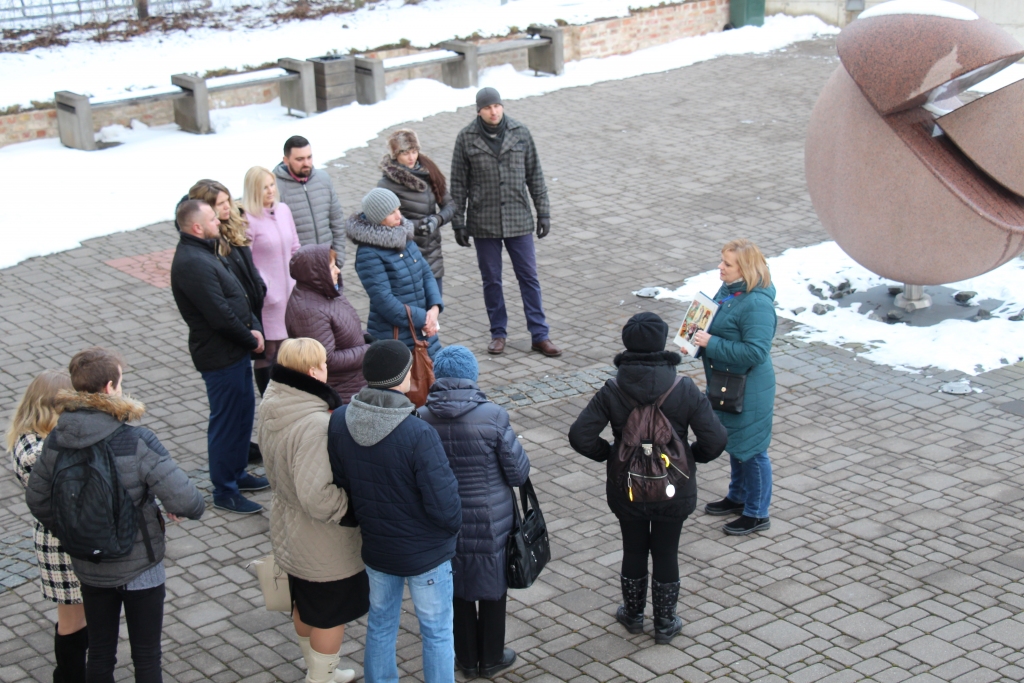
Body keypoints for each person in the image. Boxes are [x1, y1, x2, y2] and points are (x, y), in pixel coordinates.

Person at [26, 347, 205, 683]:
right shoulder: (136, 440)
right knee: (147, 657)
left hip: (89, 568)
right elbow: (188, 501)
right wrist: (170, 508)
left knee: (100, 653)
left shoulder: (57, 440)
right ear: (109, 387)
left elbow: (37, 499)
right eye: (120, 381)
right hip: (141, 566)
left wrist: (76, 530)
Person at [568, 313, 727, 643]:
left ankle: (633, 615)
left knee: (634, 549)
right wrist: (690, 459)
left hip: (627, 487)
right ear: (661, 342)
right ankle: (665, 623)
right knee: (667, 552)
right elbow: (715, 439)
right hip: (674, 487)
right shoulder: (684, 388)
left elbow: (580, 435)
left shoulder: (612, 390)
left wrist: (610, 455)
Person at [327, 340, 462, 683]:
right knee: (436, 631)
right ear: (401, 377)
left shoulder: (340, 420)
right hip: (426, 553)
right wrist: (450, 531)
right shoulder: (418, 432)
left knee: (381, 623)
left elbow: (343, 485)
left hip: (377, 547)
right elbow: (445, 505)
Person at [258, 338, 368, 683]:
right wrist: (351, 510)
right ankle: (321, 677)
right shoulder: (315, 424)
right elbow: (318, 496)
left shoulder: (272, 402)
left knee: (304, 603)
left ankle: (317, 671)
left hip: (287, 527)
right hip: (322, 542)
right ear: (311, 371)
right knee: (329, 615)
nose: (326, 368)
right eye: (322, 364)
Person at [417, 346, 529, 679]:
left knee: (455, 587)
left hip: (442, 520)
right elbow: (518, 473)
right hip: (491, 519)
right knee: (494, 583)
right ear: (472, 376)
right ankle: (491, 657)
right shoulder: (493, 416)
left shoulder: (420, 417)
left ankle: (466, 659)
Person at [170, 199, 270, 514]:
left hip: (235, 351)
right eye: (213, 219)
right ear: (196, 227)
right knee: (227, 422)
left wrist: (253, 328)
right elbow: (220, 315)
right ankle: (225, 489)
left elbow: (237, 295)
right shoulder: (192, 262)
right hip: (220, 357)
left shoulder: (206, 251)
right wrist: (250, 338)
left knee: (242, 416)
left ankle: (238, 473)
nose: (219, 221)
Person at [449, 87, 561, 358]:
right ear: (479, 110)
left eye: (497, 106)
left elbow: (535, 175)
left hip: (518, 217)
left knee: (529, 277)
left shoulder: (520, 132)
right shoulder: (466, 138)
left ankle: (540, 335)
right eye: (488, 107)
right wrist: (458, 223)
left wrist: (543, 212)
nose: (494, 111)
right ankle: (498, 333)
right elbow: (458, 183)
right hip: (483, 220)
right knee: (491, 280)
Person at [688, 239, 777, 536]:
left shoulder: (757, 304)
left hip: (748, 388)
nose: (720, 267)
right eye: (722, 261)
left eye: (727, 264)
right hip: (728, 382)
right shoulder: (729, 290)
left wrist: (711, 343)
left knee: (752, 449)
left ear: (745, 268)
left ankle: (757, 513)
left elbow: (756, 352)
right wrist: (694, 338)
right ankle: (737, 497)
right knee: (736, 442)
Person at [8, 369, 88, 683]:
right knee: (73, 620)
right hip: (62, 544)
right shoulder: (37, 452)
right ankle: (68, 676)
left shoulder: (33, 436)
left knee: (78, 617)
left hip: (62, 538)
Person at [190, 180, 269, 393]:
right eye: (220, 203)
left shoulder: (235, 224)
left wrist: (259, 287)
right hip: (235, 325)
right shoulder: (209, 243)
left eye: (228, 200)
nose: (227, 207)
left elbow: (249, 263)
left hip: (252, 307)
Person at [347, 188, 443, 358]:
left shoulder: (403, 236)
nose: (399, 216)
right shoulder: (368, 253)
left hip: (424, 331)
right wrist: (424, 318)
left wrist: (434, 308)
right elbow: (384, 301)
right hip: (394, 337)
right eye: (391, 212)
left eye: (398, 209)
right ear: (377, 217)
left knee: (432, 371)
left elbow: (426, 274)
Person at [241, 166, 301, 394]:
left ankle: (287, 393)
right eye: (264, 187)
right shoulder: (248, 219)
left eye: (271, 185)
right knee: (269, 351)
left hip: (290, 293)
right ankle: (268, 395)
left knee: (287, 348)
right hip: (268, 298)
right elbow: (246, 261)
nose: (270, 190)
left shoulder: (283, 210)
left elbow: (295, 246)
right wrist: (264, 286)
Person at [285, 244, 369, 403]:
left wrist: (365, 337)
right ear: (316, 274)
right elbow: (326, 359)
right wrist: (368, 350)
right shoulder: (309, 312)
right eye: (332, 267)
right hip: (341, 392)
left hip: (353, 383)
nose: (338, 270)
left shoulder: (327, 292)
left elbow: (342, 332)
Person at [377, 129, 455, 296]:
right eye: (405, 153)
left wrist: (437, 220)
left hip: (432, 254)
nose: (411, 157)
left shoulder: (430, 173)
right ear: (395, 155)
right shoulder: (386, 184)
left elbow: (450, 205)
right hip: (404, 256)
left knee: (435, 305)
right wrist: (418, 226)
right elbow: (383, 222)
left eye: (414, 151)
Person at [275, 135, 347, 266]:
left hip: (328, 264)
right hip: (299, 268)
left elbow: (337, 221)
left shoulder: (323, 179)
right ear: (286, 160)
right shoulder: (274, 188)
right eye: (300, 159)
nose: (306, 163)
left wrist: (338, 258)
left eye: (309, 157)